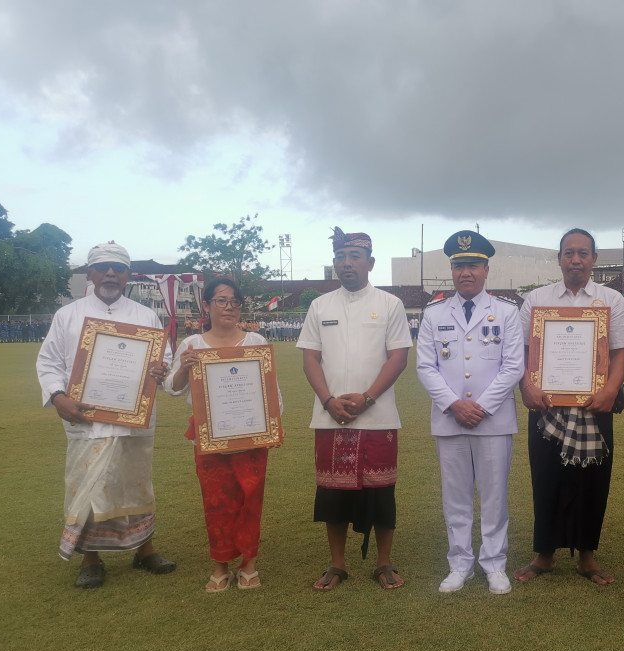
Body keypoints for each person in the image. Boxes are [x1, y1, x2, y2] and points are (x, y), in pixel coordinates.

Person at [35, 241, 175, 589]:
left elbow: (166, 363)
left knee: (135, 482)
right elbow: (49, 362)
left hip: (134, 419)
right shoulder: (67, 315)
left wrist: (162, 368)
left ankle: (145, 550)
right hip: (87, 419)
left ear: (128, 274)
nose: (111, 273)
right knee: (90, 485)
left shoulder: (146, 316)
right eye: (103, 266)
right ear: (91, 272)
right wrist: (57, 397)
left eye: (118, 267)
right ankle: (91, 558)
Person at [515, 228, 624, 586]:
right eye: (569, 253)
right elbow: (519, 351)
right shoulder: (536, 299)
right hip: (547, 406)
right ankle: (544, 554)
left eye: (583, 253)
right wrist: (527, 386)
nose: (576, 259)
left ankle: (587, 556)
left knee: (592, 481)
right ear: (559, 259)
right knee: (546, 477)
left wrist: (611, 390)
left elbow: (620, 352)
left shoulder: (611, 300)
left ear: (594, 259)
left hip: (594, 406)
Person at [298, 227, 411, 591]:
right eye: (340, 259)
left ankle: (384, 563)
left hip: (377, 417)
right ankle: (337, 564)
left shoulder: (389, 304)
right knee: (333, 494)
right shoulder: (320, 306)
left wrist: (368, 398)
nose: (346, 265)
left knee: (382, 493)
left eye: (354, 257)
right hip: (331, 418)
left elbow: (398, 358)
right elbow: (310, 359)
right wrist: (329, 401)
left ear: (370, 263)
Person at [416, 231, 524, 594]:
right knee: (455, 498)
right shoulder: (433, 314)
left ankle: (494, 563)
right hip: (450, 419)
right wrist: (454, 404)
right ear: (451, 269)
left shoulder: (507, 313)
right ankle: (459, 563)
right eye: (459, 265)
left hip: (493, 420)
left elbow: (513, 367)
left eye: (473, 265)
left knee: (495, 497)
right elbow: (425, 367)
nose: (466, 272)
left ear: (486, 269)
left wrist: (480, 406)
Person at [165, 277, 283, 592]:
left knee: (249, 500)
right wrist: (182, 369)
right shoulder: (192, 346)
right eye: (220, 300)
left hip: (251, 438)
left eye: (234, 301)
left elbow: (274, 395)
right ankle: (220, 567)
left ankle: (248, 564)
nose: (228, 307)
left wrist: (266, 423)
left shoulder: (255, 341)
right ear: (206, 305)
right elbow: (173, 390)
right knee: (216, 503)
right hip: (210, 440)